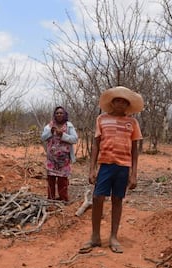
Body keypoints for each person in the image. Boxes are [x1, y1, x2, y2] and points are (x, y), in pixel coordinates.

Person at [79, 86, 143, 254]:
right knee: (98, 197)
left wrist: (134, 174)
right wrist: (92, 169)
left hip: (123, 166)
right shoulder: (102, 119)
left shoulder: (132, 123)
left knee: (117, 199)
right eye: (117, 100)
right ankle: (95, 237)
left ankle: (114, 237)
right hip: (105, 165)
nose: (120, 103)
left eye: (124, 101)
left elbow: (135, 149)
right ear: (112, 103)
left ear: (128, 105)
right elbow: (96, 144)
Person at [41, 106, 78, 203]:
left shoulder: (69, 126)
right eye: (57, 113)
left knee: (63, 180)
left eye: (61, 113)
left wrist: (62, 135)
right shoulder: (49, 125)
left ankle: (63, 199)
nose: (59, 114)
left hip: (64, 159)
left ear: (65, 114)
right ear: (54, 115)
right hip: (51, 159)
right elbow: (43, 138)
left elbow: (74, 139)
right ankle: (51, 199)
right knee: (51, 179)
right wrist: (51, 132)